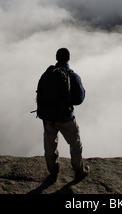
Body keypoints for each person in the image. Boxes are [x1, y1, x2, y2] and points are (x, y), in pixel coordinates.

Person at [37, 47, 89, 182]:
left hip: (48, 117)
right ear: (68, 59)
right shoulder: (72, 76)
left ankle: (53, 172)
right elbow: (79, 99)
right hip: (66, 117)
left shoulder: (47, 74)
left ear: (56, 57)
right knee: (75, 143)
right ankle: (79, 170)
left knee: (50, 144)